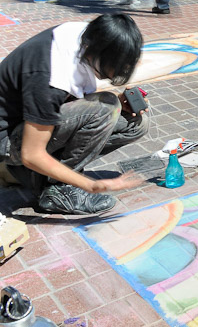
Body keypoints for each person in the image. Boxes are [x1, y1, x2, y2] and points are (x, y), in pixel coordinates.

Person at [0, 14, 147, 215]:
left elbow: (72, 96)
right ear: (101, 54)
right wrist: (90, 185)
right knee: (106, 107)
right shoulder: (49, 77)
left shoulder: (87, 37)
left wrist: (120, 104)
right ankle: (60, 190)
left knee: (136, 123)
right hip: (7, 141)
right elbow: (31, 154)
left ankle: (40, 175)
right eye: (118, 66)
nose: (120, 71)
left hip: (30, 122)